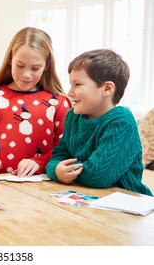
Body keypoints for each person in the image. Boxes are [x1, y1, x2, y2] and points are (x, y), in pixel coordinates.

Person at [46, 49, 153, 196]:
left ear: (107, 89)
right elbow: (59, 155)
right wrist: (57, 170)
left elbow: (98, 175)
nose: (70, 92)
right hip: (85, 198)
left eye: (77, 84)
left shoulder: (122, 121)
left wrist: (68, 171)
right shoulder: (73, 116)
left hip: (126, 204)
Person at [0, 27, 71, 177]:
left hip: (42, 187)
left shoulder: (59, 103)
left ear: (47, 65)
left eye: (35, 68)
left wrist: (39, 162)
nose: (26, 75)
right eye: (20, 65)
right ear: (10, 59)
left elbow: (63, 148)